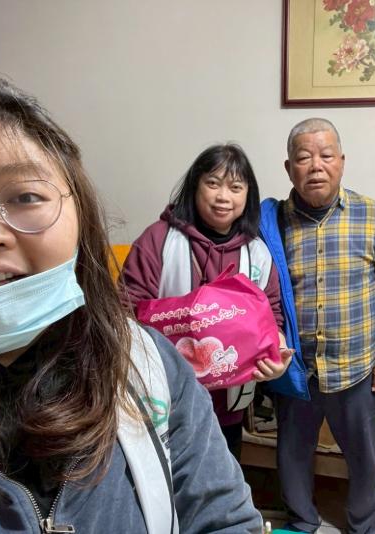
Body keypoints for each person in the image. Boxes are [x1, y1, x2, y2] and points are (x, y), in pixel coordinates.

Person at [0, 75, 263, 534]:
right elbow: (135, 296)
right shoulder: (160, 239)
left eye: (25, 196)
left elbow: (223, 518)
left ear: (81, 217)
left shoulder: (149, 364)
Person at [259, 118, 375, 533]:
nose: (316, 166)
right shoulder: (271, 224)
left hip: (357, 369)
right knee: (291, 455)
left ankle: (363, 527)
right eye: (304, 158)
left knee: (365, 459)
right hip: (296, 371)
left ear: (342, 161)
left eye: (326, 155)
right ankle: (302, 521)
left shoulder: (372, 216)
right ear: (289, 168)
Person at [119, 143, 293, 460]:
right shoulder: (158, 240)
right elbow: (125, 309)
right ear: (195, 186)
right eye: (213, 183)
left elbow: (272, 317)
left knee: (221, 481)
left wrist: (276, 356)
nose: (223, 197)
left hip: (229, 406)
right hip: (163, 403)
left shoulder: (257, 253)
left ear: (248, 195)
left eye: (235, 188)